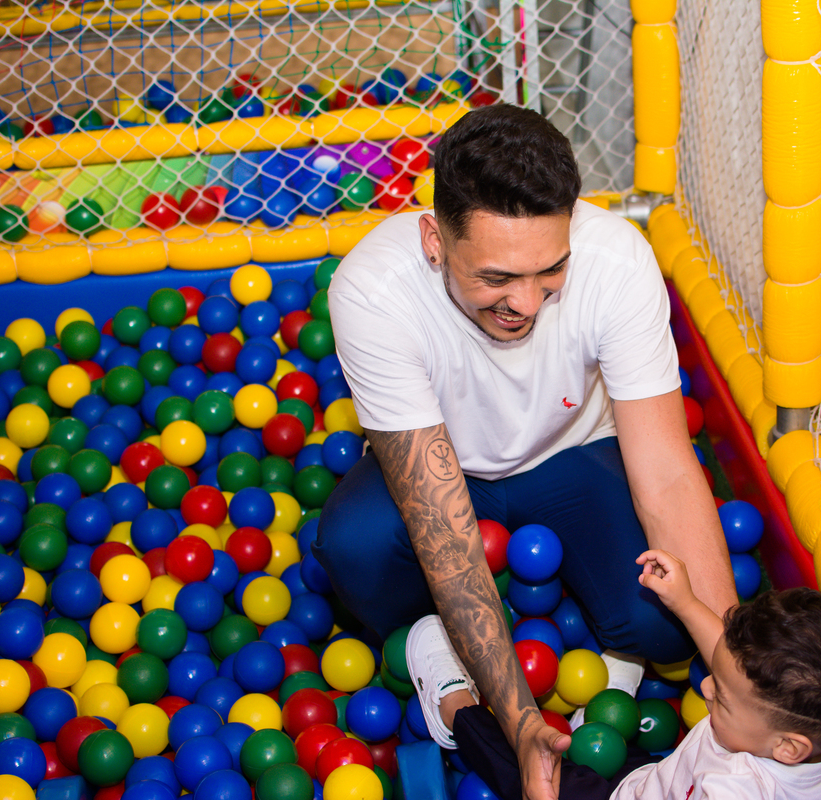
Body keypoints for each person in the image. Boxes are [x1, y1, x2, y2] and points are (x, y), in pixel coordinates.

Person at [313, 103, 738, 800]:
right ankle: (429, 645)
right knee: (356, 547)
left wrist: (735, 668)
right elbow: (442, 531)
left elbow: (666, 472)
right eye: (496, 279)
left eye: (549, 272)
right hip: (446, 471)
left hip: (572, 455)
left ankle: (607, 633)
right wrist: (519, 723)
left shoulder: (617, 259)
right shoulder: (373, 290)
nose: (528, 304)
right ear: (433, 240)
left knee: (665, 629)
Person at [404, 549, 821, 800]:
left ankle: (457, 714)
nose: (705, 686)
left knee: (530, 770)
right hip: (654, 776)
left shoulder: (737, 789)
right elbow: (730, 658)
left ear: (787, 748)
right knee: (623, 746)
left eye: (720, 698)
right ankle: (597, 721)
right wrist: (686, 603)